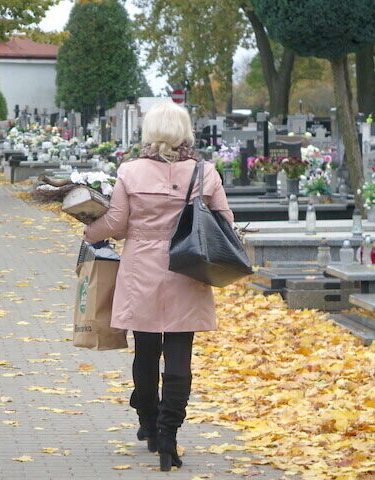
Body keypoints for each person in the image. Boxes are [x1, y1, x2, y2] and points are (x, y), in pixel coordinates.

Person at [82, 102, 233, 472]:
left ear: (149, 131)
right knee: (180, 353)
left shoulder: (130, 171)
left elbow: (116, 223)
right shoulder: (205, 172)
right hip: (188, 269)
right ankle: (169, 436)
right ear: (185, 132)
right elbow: (225, 222)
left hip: (141, 271)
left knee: (146, 350)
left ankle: (148, 422)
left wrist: (89, 231)